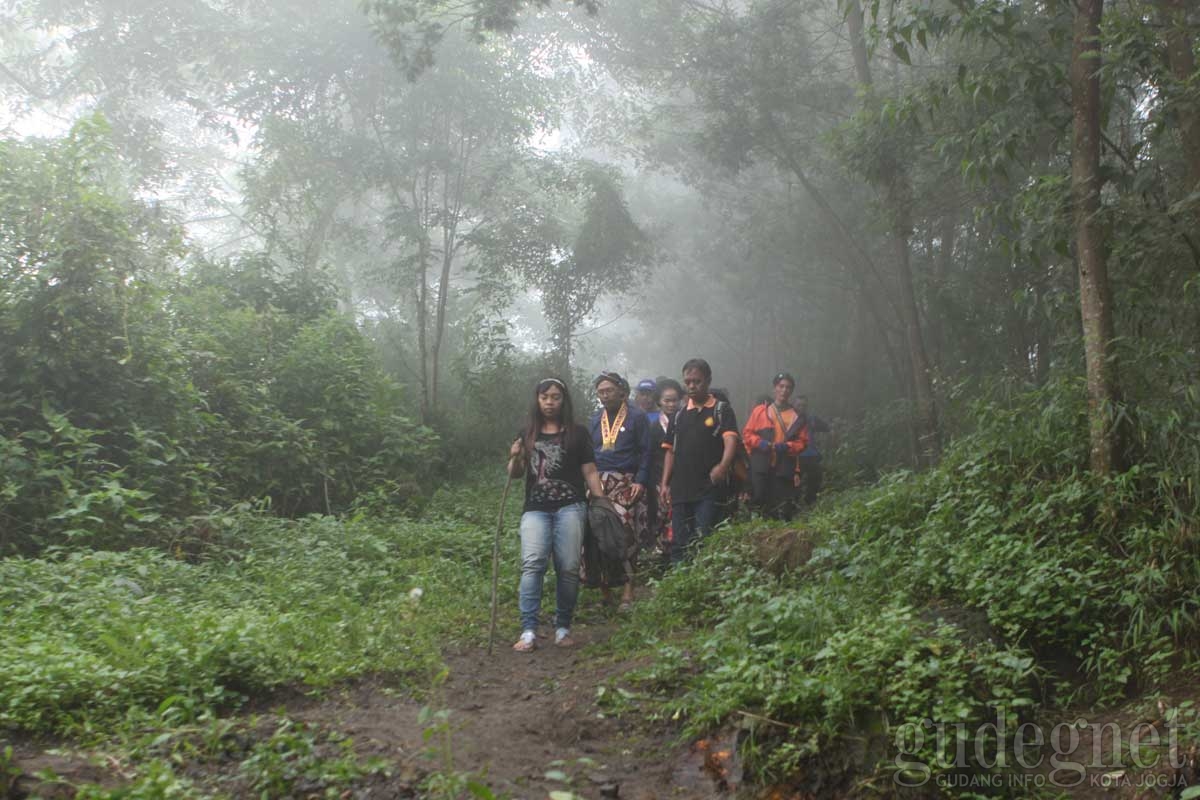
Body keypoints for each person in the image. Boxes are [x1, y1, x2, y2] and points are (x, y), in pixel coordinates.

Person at [507, 378, 605, 652]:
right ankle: (528, 630)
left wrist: (601, 501)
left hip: (571, 506)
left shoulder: (578, 433)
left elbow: (590, 471)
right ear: (537, 400)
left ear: (564, 400)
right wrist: (515, 456)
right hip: (535, 509)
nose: (550, 402)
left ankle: (563, 627)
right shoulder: (526, 433)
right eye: (544, 397)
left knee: (569, 567)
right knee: (533, 564)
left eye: (555, 397)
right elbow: (515, 474)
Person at [660, 359, 739, 564]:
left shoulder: (721, 410)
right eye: (688, 381)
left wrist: (723, 466)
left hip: (708, 487)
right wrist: (665, 483)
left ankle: (702, 581)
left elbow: (731, 439)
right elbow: (670, 451)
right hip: (680, 489)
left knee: (703, 536)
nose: (692, 386)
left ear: (708, 381)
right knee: (679, 541)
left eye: (697, 381)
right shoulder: (678, 415)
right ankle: (678, 584)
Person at [588, 371, 652, 611]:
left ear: (621, 391)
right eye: (600, 392)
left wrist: (641, 480)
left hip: (626, 482)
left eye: (609, 390)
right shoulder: (595, 419)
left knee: (626, 533)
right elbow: (589, 454)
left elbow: (647, 452)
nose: (604, 395)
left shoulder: (637, 417)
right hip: (598, 483)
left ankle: (628, 590)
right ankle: (605, 591)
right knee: (596, 534)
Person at [742, 373, 809, 521]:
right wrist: (760, 443)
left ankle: (776, 532)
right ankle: (756, 529)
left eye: (788, 387)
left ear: (791, 391)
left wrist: (787, 447)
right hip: (761, 463)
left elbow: (803, 442)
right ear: (775, 389)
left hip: (783, 465)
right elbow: (747, 434)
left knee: (779, 502)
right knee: (758, 496)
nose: (784, 390)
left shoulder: (797, 416)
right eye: (781, 386)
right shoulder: (761, 411)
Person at [649, 378, 683, 560]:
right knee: (661, 517)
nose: (671, 404)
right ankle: (662, 556)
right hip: (658, 479)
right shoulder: (653, 427)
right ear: (659, 401)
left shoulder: (685, 420)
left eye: (674, 400)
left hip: (682, 478)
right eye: (667, 400)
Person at [792, 394, 831, 508]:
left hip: (811, 454)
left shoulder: (811, 418)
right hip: (796, 456)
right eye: (799, 405)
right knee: (794, 482)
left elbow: (826, 427)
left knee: (815, 478)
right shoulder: (789, 418)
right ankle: (794, 504)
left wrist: (832, 431)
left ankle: (810, 502)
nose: (801, 407)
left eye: (804, 405)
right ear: (794, 405)